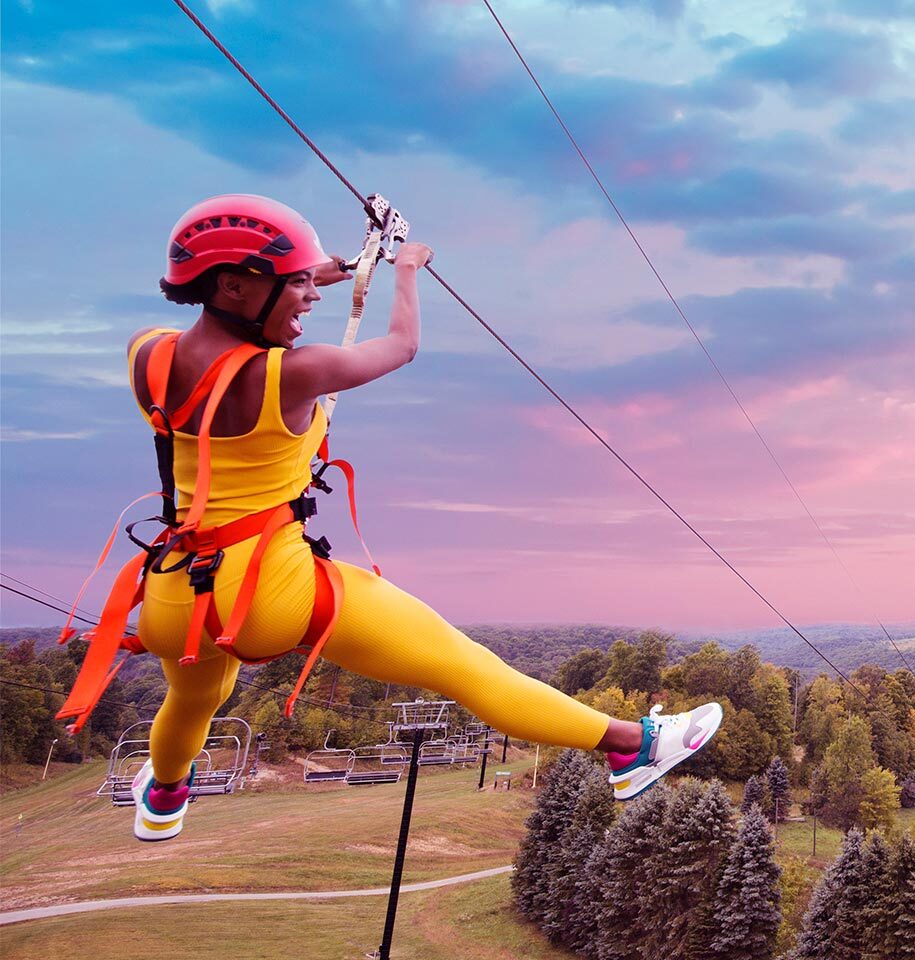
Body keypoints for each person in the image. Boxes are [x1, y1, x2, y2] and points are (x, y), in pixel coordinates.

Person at [59, 195, 720, 842]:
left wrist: (341, 264)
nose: (310, 298)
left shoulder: (147, 353)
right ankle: (633, 748)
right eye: (295, 285)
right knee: (463, 664)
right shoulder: (295, 373)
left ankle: (165, 797)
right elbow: (401, 346)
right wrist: (407, 271)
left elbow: (233, 320)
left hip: (178, 595)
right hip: (271, 593)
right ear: (235, 287)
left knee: (192, 701)